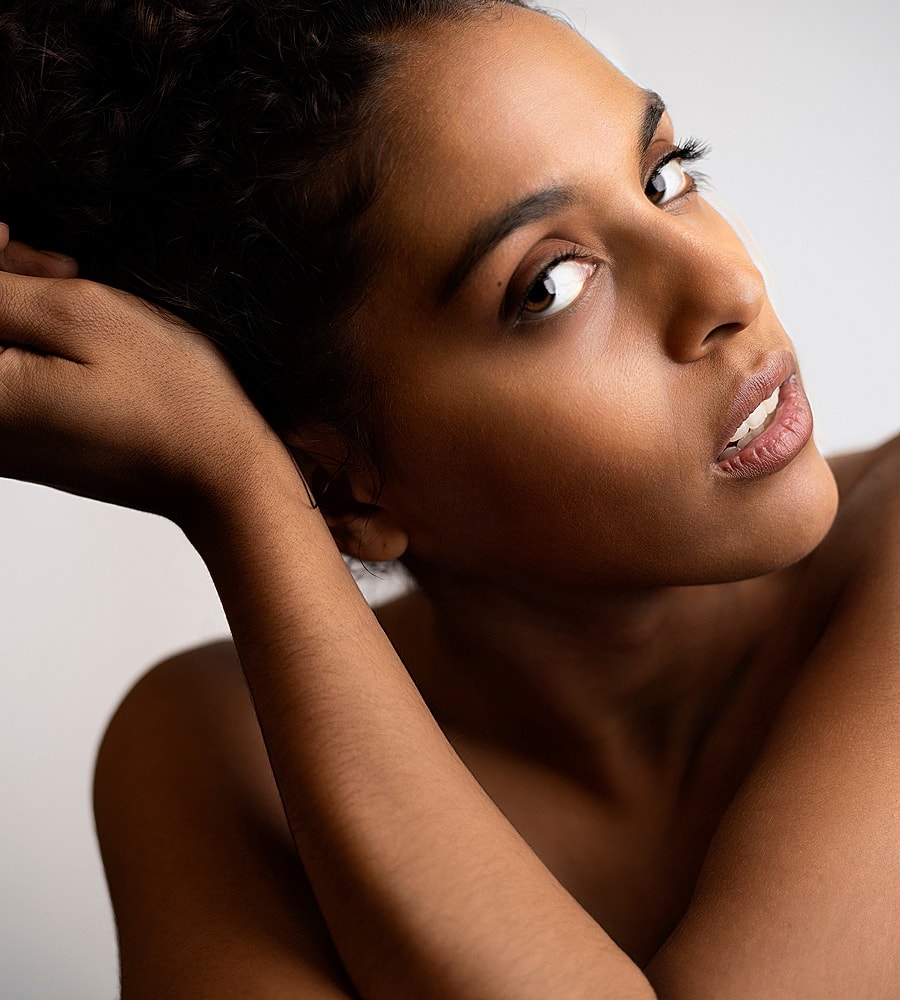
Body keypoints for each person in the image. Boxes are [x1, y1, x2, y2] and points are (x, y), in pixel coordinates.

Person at [1, 1, 898, 997]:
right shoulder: (215, 756)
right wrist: (242, 489)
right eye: (551, 286)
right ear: (339, 480)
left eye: (665, 173)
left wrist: (255, 483)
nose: (726, 283)